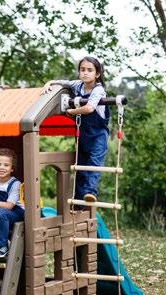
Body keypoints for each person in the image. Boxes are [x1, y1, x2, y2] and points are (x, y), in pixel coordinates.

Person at [41, 56, 110, 204]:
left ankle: (90, 192)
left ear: (97, 74)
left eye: (89, 70)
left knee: (93, 163)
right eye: (82, 70)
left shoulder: (98, 90)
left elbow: (90, 108)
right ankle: (79, 201)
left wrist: (72, 111)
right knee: (80, 166)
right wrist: (49, 83)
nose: (85, 73)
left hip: (98, 135)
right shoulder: (77, 85)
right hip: (83, 134)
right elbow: (61, 82)